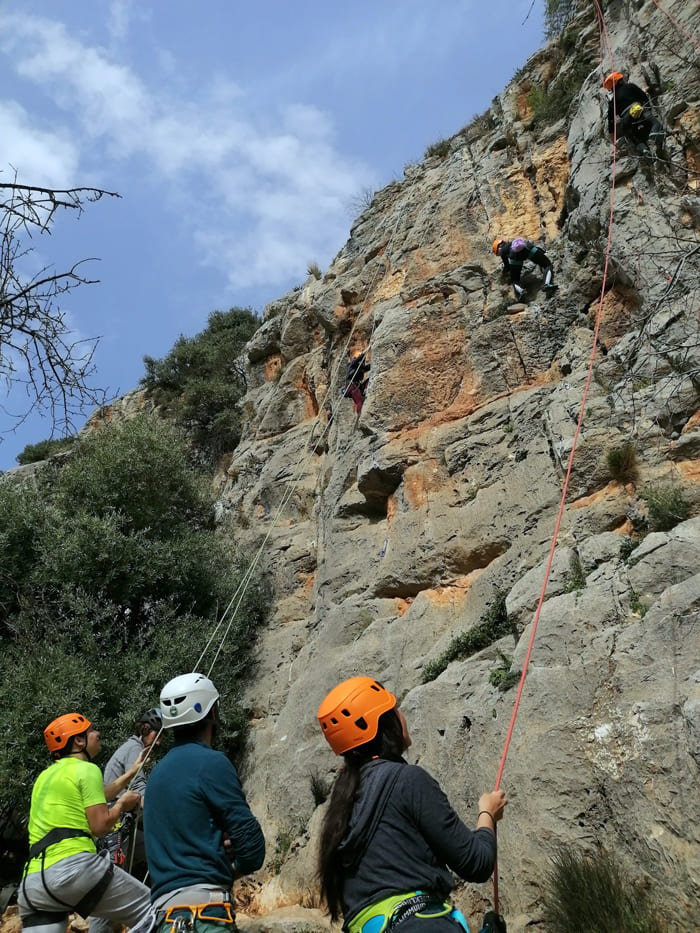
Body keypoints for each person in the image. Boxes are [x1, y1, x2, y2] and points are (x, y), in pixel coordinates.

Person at [317, 677, 507, 933]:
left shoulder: (343, 802)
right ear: (383, 724)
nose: (401, 714)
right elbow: (476, 862)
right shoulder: (408, 780)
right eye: (394, 708)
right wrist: (488, 814)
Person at [143, 673, 265, 933]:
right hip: (205, 917)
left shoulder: (155, 777)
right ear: (211, 712)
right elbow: (252, 846)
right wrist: (230, 864)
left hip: (165, 920)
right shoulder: (212, 763)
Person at [18, 713, 151, 933]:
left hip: (33, 884)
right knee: (155, 911)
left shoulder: (45, 776)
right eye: (91, 731)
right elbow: (100, 826)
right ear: (79, 741)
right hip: (75, 871)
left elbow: (99, 796)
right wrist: (121, 806)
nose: (97, 734)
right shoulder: (87, 769)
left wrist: (130, 774)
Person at [88, 709, 163, 933]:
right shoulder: (133, 748)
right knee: (109, 883)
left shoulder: (134, 748)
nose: (159, 743)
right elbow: (140, 791)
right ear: (146, 730)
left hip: (121, 824)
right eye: (157, 736)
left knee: (153, 849)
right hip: (115, 826)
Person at [604, 71, 665, 157]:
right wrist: (649, 108)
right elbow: (643, 96)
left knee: (633, 136)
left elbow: (611, 122)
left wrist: (613, 141)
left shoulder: (612, 102)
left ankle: (643, 148)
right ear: (619, 81)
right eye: (621, 79)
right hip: (638, 110)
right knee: (654, 122)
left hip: (626, 119)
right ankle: (655, 132)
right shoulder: (630, 86)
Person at [344, 350, 371, 415]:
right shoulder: (351, 365)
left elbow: (367, 368)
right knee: (359, 401)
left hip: (357, 386)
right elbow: (356, 360)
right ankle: (359, 415)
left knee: (369, 379)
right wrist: (362, 355)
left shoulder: (360, 368)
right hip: (352, 386)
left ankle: (364, 391)